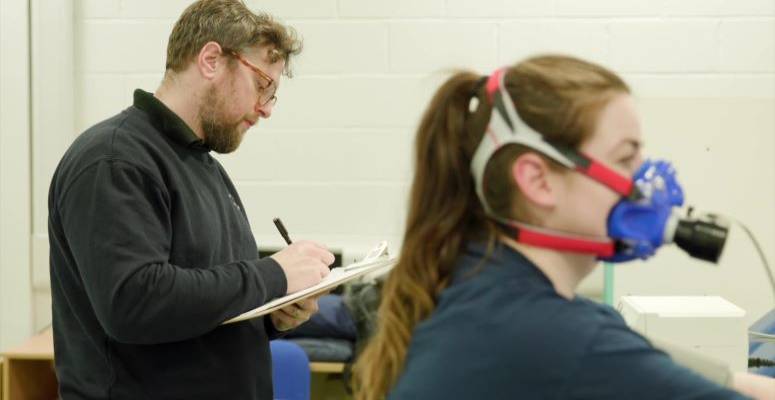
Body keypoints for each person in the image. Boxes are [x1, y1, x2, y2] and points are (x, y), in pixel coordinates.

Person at [354, 55, 775, 399]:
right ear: (537, 180)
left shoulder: (470, 284)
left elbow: (680, 373)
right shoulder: (559, 338)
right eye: (625, 159)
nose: (642, 184)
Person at [47, 1, 335, 399]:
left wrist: (272, 313)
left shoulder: (205, 167)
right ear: (212, 59)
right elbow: (135, 301)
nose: (265, 109)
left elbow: (203, 302)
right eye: (262, 85)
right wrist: (274, 276)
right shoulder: (114, 158)